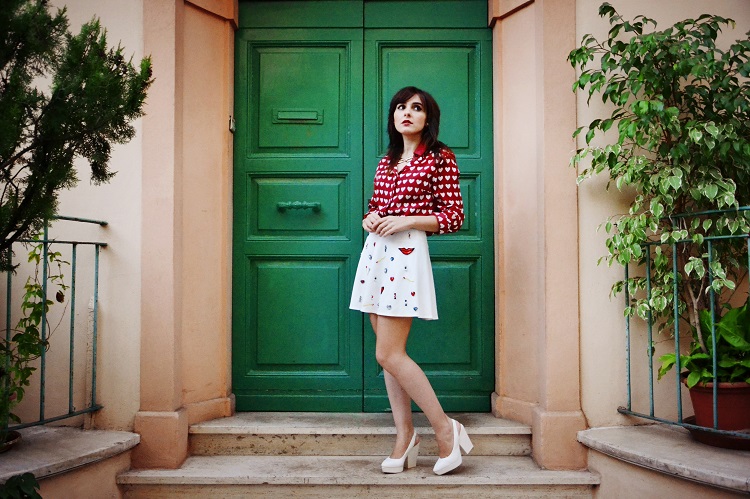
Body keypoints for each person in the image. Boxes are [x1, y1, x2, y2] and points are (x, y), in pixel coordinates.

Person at [349, 86, 472, 475]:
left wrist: (408, 220)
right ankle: (405, 436)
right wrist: (369, 218)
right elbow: (376, 207)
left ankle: (445, 429)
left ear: (427, 118)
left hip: (405, 254)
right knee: (387, 353)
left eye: (416, 108)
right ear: (394, 116)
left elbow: (453, 216)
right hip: (376, 253)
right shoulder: (386, 162)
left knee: (389, 353)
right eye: (401, 107)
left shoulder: (439, 157)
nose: (407, 113)